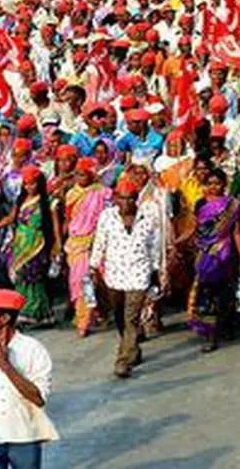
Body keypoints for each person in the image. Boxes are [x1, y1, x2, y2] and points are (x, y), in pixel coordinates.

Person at [0, 289, 58, 469]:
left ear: (4, 319)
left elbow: (38, 398)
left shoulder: (34, 350)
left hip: (24, 435)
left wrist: (5, 366)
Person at [89, 177, 162, 378]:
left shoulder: (148, 218)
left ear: (137, 199)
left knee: (131, 318)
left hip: (139, 274)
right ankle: (133, 347)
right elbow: (100, 242)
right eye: (122, 198)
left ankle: (123, 360)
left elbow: (154, 247)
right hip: (114, 275)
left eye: (131, 198)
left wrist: (156, 271)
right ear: (115, 199)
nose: (126, 203)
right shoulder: (107, 217)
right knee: (120, 317)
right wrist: (93, 266)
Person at [0, 165, 61, 328]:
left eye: (32, 184)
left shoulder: (49, 203)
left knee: (34, 278)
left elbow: (55, 226)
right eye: (26, 184)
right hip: (20, 242)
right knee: (20, 277)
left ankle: (37, 313)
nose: (29, 187)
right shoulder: (21, 201)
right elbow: (10, 219)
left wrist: (57, 245)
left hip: (37, 243)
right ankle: (24, 311)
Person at [187, 168, 240, 352]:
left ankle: (219, 332)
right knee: (207, 294)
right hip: (205, 253)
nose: (214, 187)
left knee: (224, 293)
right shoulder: (200, 204)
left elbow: (236, 232)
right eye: (210, 183)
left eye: (217, 183)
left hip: (225, 253)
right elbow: (194, 228)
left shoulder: (231, 205)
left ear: (224, 184)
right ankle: (213, 330)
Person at [62, 157, 110, 336]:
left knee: (97, 281)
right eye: (77, 175)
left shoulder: (103, 193)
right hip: (76, 243)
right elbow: (69, 219)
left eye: (84, 174)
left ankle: (92, 316)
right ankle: (85, 316)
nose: (80, 178)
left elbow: (107, 217)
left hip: (97, 241)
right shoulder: (71, 194)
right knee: (79, 282)